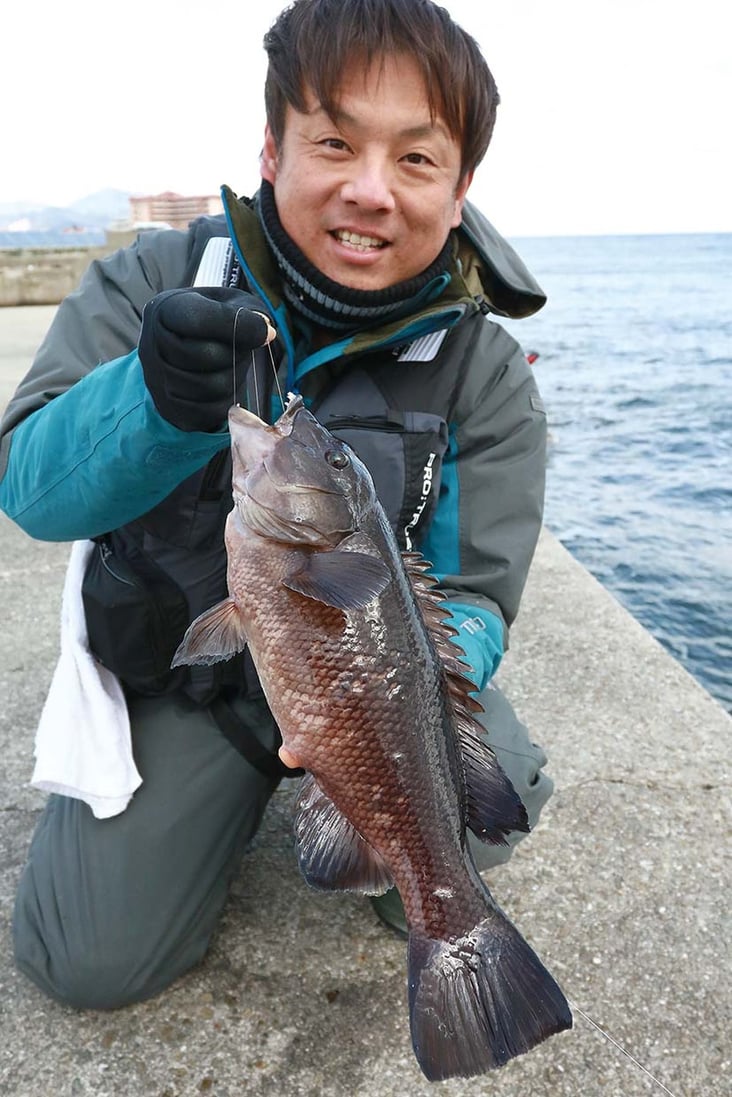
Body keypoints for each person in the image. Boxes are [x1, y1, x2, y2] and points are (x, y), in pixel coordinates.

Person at [0, 0, 551, 1010]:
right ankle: (239, 801)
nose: (370, 190)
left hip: (369, 694)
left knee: (494, 776)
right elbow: (28, 488)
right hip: (187, 683)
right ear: (270, 147)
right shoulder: (156, 278)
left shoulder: (484, 369)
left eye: (417, 160)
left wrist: (390, 688)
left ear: (462, 185)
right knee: (86, 961)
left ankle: (420, 892)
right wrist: (153, 400)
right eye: (335, 141)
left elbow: (475, 592)